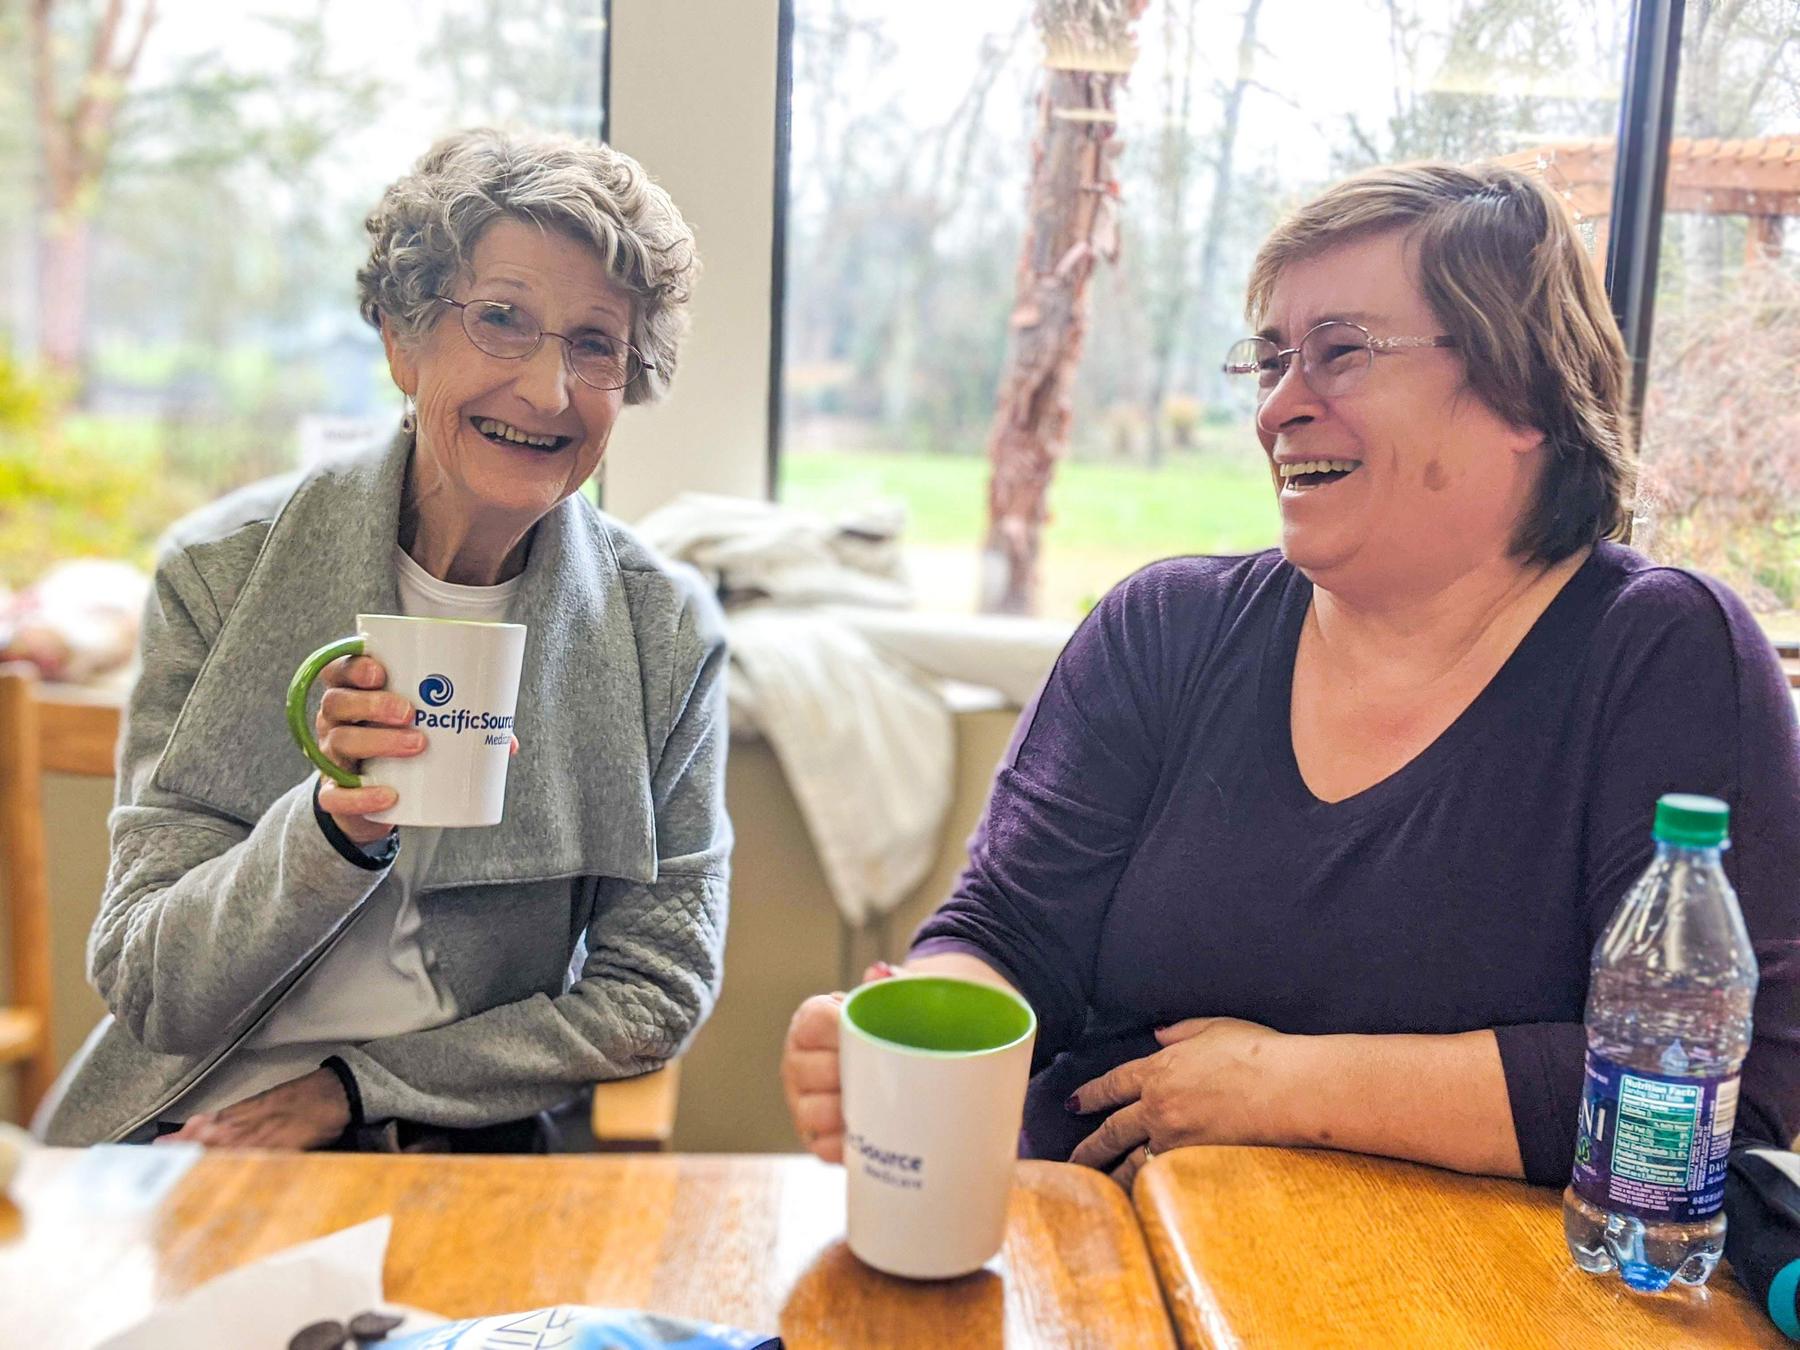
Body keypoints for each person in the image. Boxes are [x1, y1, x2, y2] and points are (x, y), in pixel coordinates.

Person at [782, 161, 1800, 1192]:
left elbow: (1729, 1092)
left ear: (1521, 387)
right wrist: (915, 1035)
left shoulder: (1663, 655)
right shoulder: (1164, 631)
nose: (1278, 410)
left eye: (1340, 353)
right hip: (1107, 1255)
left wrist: (1281, 1089)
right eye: (1270, 362)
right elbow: (1003, 935)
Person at [36, 127, 730, 1150]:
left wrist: (352, 1090)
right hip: (191, 1124)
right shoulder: (219, 577)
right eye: (501, 320)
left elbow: (654, 993)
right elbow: (153, 987)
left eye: (595, 345)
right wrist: (329, 831)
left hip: (461, 1136)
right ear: (403, 341)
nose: (547, 391)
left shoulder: (661, 634)